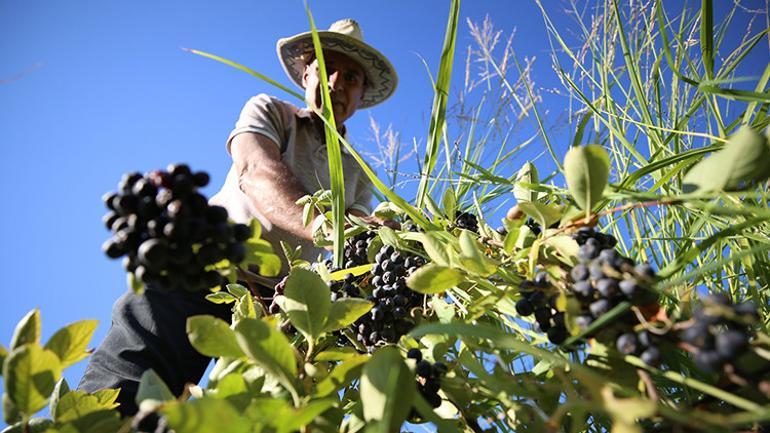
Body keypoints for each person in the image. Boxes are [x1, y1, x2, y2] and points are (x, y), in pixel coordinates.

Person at [77, 18, 398, 416]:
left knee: (249, 414)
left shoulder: (358, 171)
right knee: (127, 384)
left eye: (351, 77)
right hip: (202, 265)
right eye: (326, 67)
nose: (336, 83)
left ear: (361, 92)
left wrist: (385, 236)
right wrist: (326, 225)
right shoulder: (271, 111)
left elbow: (359, 239)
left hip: (278, 306)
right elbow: (256, 171)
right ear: (306, 71)